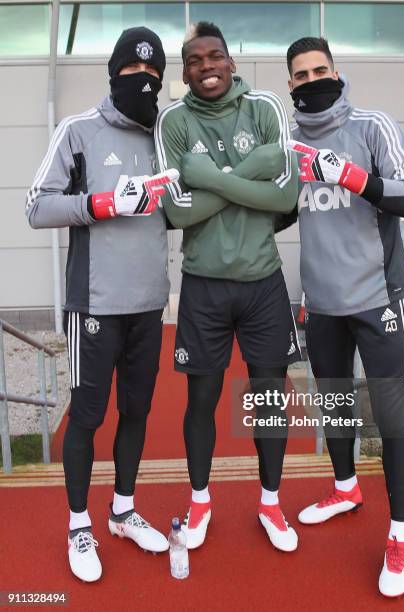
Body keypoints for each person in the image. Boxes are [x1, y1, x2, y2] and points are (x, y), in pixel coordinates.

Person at [26, 27, 175, 583]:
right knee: (87, 418)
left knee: (136, 413)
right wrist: (103, 203)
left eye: (154, 77)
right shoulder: (78, 131)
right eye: (135, 75)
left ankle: (123, 510)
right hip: (93, 305)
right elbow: (37, 207)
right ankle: (78, 524)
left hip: (148, 306)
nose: (145, 84)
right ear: (113, 74)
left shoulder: (166, 133)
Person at [285, 37, 404, 596]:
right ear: (290, 84)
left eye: (321, 68)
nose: (314, 78)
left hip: (379, 299)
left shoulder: (373, 126)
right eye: (302, 73)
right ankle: (345, 487)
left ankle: (401, 537)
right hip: (322, 305)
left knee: (391, 421)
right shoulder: (287, 140)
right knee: (337, 409)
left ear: (336, 71)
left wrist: (348, 174)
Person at [155, 22, 301, 553]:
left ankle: (269, 502)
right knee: (202, 401)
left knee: (268, 401)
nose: (207, 67)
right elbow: (174, 209)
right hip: (203, 286)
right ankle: (199, 501)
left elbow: (286, 199)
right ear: (185, 70)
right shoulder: (173, 121)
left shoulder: (263, 108)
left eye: (215, 57)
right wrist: (251, 173)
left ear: (231, 62)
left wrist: (210, 176)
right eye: (195, 61)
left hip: (263, 282)